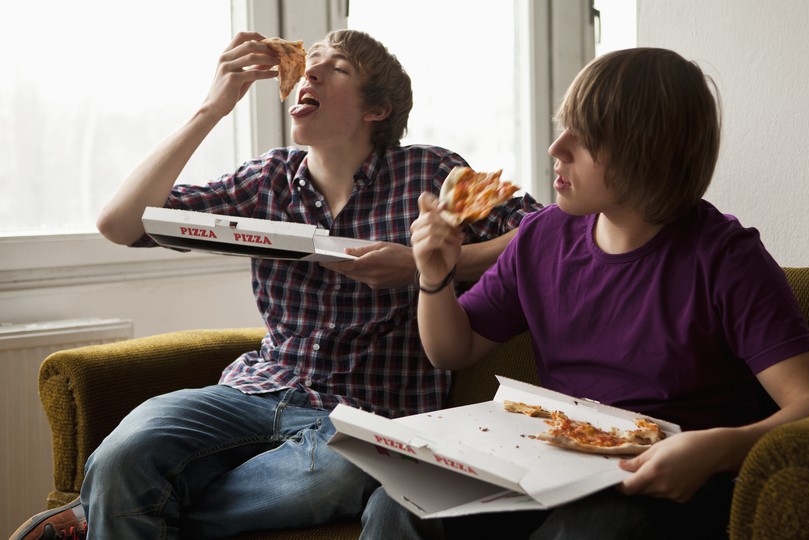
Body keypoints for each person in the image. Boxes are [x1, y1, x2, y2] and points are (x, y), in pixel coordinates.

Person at [11, 29, 540, 540]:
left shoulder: (431, 172)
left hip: (367, 416)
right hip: (253, 390)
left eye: (336, 68)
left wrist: (427, 266)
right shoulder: (266, 180)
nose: (309, 72)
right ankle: (117, 499)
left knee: (334, 476)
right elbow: (120, 225)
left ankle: (108, 512)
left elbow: (548, 235)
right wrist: (212, 108)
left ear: (375, 110)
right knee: (124, 452)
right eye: (309, 62)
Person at [359, 47, 809, 539]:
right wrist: (434, 274)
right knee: (395, 505)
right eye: (563, 126)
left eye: (584, 137)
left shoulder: (725, 257)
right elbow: (452, 350)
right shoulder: (542, 237)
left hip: (665, 483)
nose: (557, 148)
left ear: (647, 150)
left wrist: (718, 448)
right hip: (553, 466)